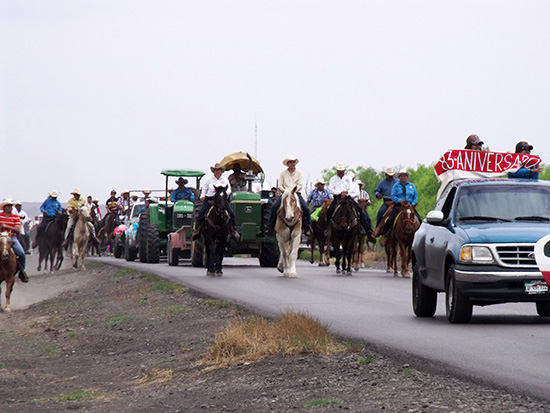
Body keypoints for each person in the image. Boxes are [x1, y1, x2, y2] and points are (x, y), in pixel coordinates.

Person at [326, 162, 374, 241]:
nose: (341, 172)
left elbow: (352, 189)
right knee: (329, 211)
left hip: (348, 198)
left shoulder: (348, 179)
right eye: (339, 170)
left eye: (342, 170)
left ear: (344, 170)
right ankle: (328, 229)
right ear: (337, 170)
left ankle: (367, 231)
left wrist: (347, 193)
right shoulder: (333, 179)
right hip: (338, 198)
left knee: (360, 211)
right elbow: (331, 189)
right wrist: (339, 193)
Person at [266, 155, 312, 236]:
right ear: (287, 164)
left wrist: (293, 190)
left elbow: (300, 185)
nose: (292, 164)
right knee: (274, 207)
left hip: (296, 194)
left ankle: (308, 227)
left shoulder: (299, 173)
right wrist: (285, 191)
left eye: (293, 162)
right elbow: (280, 185)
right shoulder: (283, 174)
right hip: (285, 194)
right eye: (290, 162)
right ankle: (270, 226)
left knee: (306, 208)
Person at [192, 163, 240, 240]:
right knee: (201, 213)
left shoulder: (225, 180)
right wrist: (202, 196)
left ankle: (233, 231)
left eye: (219, 170)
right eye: (216, 170)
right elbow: (204, 188)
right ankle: (197, 230)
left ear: (221, 171)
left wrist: (223, 194)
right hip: (210, 199)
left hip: (222, 200)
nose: (217, 172)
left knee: (231, 214)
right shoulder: (209, 180)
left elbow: (229, 190)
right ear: (214, 171)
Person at [381, 169, 420, 235]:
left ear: (407, 177)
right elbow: (393, 196)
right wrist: (399, 200)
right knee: (390, 219)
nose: (403, 177)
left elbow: (415, 196)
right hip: (399, 206)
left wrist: (412, 204)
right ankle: (385, 234)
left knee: (419, 219)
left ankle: (419, 236)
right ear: (399, 177)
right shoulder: (396, 186)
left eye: (404, 176)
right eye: (401, 176)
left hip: (410, 206)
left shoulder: (412, 186)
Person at [0, 197, 29, 282]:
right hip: (0, 238)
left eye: (11, 206)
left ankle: (22, 272)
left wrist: (6, 226)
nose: (10, 208)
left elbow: (17, 229)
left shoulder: (16, 217)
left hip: (12, 237)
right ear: (4, 207)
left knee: (21, 253)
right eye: (8, 206)